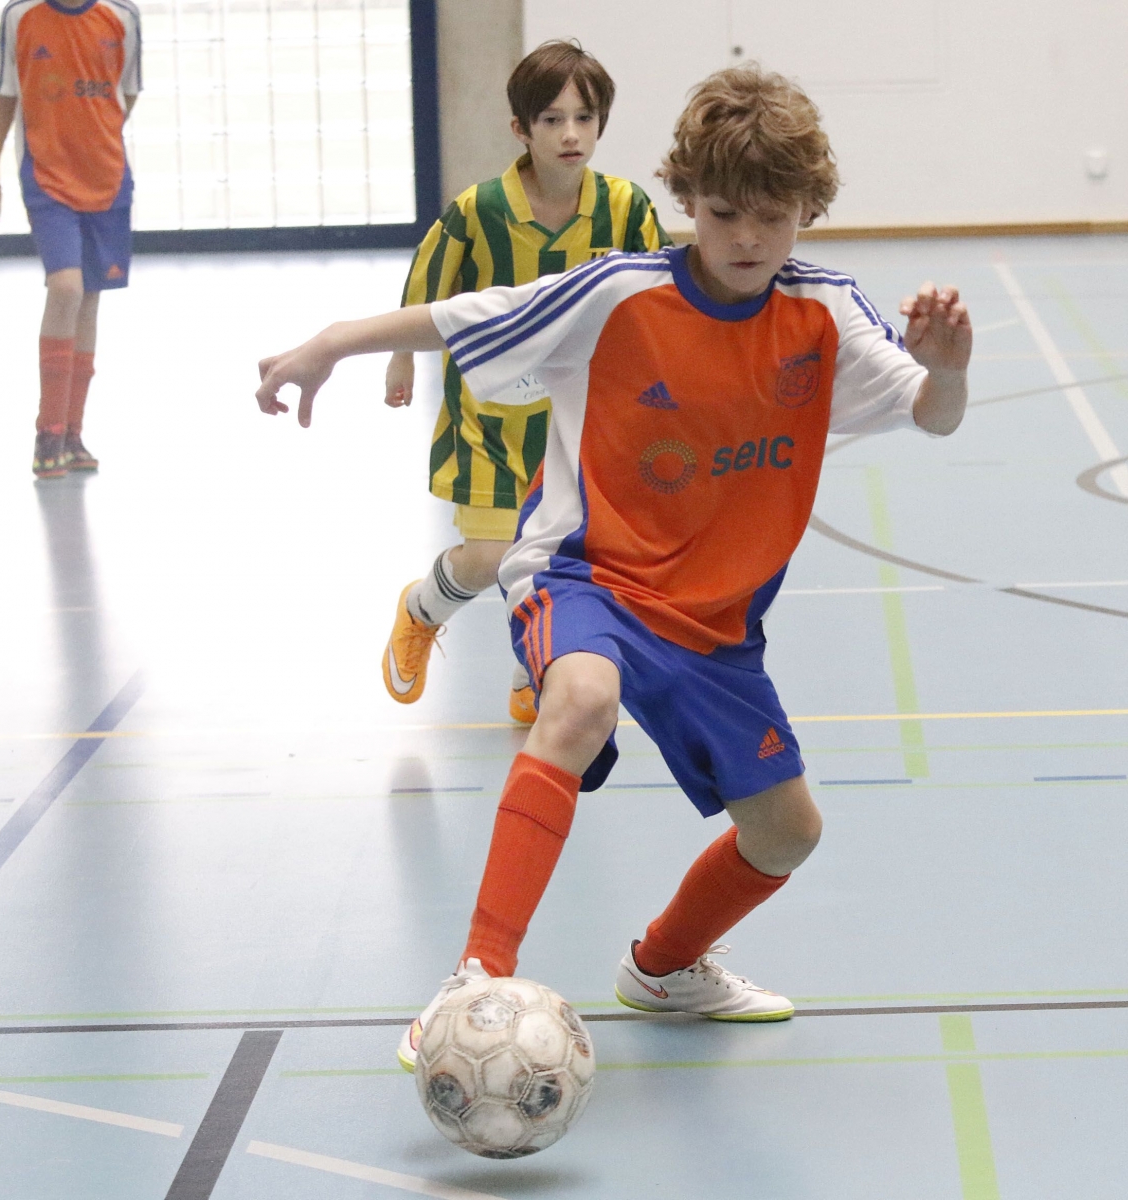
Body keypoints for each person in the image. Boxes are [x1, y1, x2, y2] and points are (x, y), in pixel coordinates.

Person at [252, 65, 972, 1069]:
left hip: (717, 625)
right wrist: (334, 342)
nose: (749, 239)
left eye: (773, 215)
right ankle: (475, 980)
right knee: (579, 698)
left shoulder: (826, 314)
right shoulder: (617, 295)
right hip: (588, 575)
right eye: (724, 213)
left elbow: (933, 415)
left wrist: (949, 367)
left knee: (788, 833)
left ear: (809, 207)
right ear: (687, 199)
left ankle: (666, 966)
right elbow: (467, 315)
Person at [383, 40, 668, 724]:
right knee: (493, 555)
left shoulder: (626, 208)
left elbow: (657, 300)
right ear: (521, 129)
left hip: (578, 419)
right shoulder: (477, 211)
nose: (570, 134)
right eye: (551, 119)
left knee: (558, 559)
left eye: (584, 117)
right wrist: (398, 357)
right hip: (485, 414)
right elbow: (428, 285)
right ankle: (422, 608)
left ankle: (529, 666)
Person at [0, 0, 142, 478]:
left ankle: (73, 432)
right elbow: (7, 95)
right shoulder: (21, 16)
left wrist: (91, 132)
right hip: (47, 178)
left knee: (90, 298)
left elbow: (124, 94)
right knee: (66, 286)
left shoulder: (122, 17)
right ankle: (47, 430)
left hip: (107, 179)